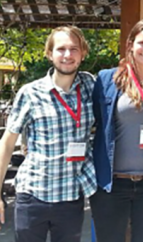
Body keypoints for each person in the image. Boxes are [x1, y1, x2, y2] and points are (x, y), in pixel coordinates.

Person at [0, 26, 95, 242]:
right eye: (61, 49)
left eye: (74, 49)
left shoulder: (91, 86)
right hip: (33, 195)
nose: (68, 55)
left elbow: (125, 88)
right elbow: (7, 143)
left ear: (82, 54)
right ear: (49, 54)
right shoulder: (30, 93)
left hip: (71, 197)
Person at [90, 19, 143, 242]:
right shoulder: (107, 79)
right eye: (142, 43)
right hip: (112, 183)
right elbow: (94, 121)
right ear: (130, 44)